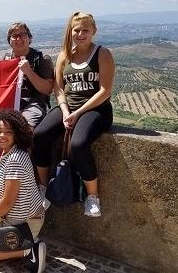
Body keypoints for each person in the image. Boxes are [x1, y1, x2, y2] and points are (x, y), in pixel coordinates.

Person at [33, 12, 115, 217]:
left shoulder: (102, 54)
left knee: (78, 145)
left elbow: (105, 91)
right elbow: (59, 88)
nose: (80, 34)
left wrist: (78, 113)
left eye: (85, 30)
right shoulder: (64, 55)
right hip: (68, 108)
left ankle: (92, 196)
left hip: (96, 109)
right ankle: (43, 187)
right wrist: (65, 111)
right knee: (39, 135)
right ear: (71, 31)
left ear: (94, 31)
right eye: (76, 30)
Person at [0, 109, 46, 273]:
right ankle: (4, 235)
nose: (2, 136)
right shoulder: (9, 151)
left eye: (8, 132)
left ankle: (29, 248)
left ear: (17, 134)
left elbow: (7, 201)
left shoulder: (15, 160)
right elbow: (0, 188)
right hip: (15, 214)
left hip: (25, 222)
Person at [2, 22, 54, 128]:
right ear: (9, 41)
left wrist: (29, 72)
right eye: (14, 36)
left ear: (29, 38)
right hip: (9, 103)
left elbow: (47, 89)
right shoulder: (3, 60)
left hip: (34, 103)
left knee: (24, 127)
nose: (19, 39)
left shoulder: (41, 59)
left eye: (23, 35)